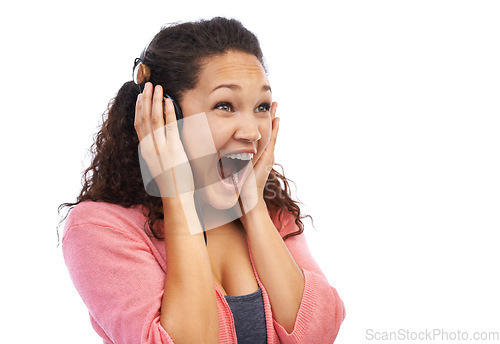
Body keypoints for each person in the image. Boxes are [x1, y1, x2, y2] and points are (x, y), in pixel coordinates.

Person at [60, 17, 345, 344]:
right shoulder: (100, 229)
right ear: (167, 116)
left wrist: (253, 208)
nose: (252, 133)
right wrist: (176, 193)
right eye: (225, 105)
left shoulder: (275, 217)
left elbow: (320, 334)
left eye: (261, 107)